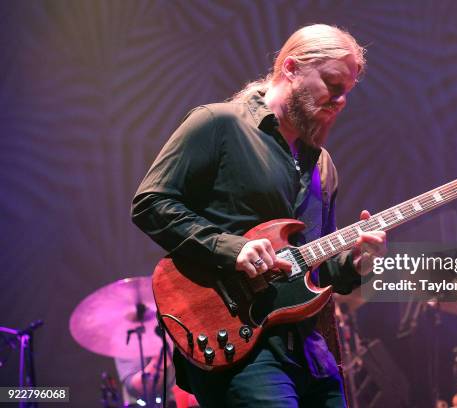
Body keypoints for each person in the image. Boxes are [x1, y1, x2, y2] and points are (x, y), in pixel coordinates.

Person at [131, 24, 387, 407]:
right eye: (333, 84)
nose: (340, 100)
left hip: (310, 352)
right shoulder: (218, 124)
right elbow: (151, 203)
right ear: (291, 68)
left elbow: (316, 268)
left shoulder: (323, 166)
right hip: (237, 343)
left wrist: (356, 264)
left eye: (346, 92)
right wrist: (232, 249)